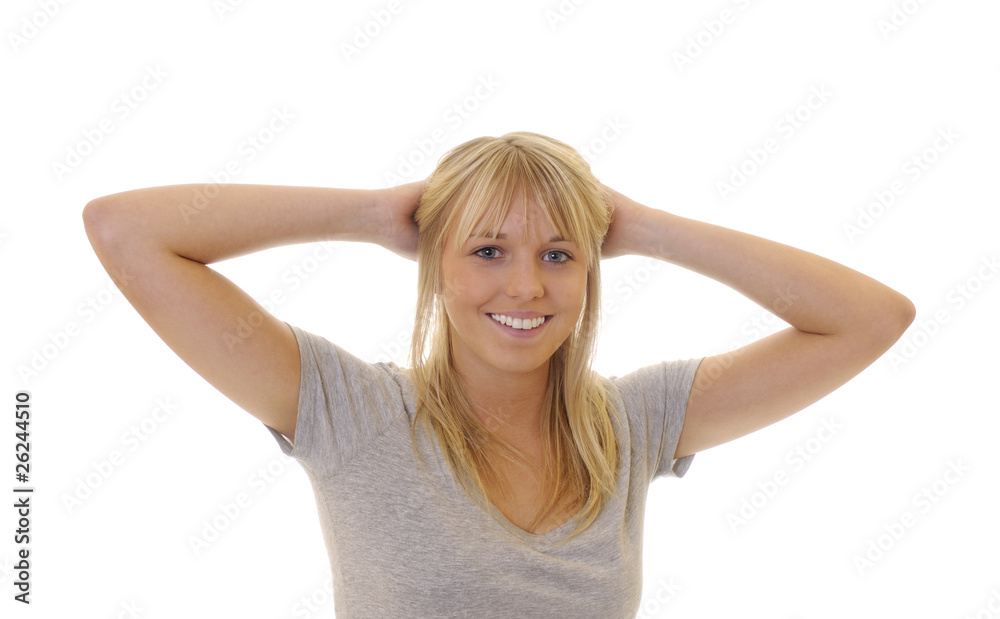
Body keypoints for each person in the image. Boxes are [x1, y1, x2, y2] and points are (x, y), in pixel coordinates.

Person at [82, 131, 914, 617]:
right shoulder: (351, 411)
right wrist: (370, 214)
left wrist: (643, 227)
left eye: (558, 255)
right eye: (487, 250)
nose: (525, 287)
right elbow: (126, 231)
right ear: (434, 264)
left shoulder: (635, 422)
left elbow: (872, 318)